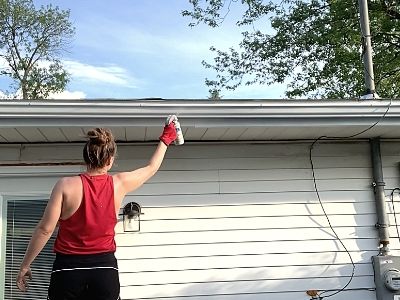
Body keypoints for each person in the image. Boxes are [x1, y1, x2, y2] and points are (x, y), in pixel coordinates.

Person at [15, 120, 178, 300]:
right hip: (104, 271)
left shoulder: (65, 186)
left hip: (68, 270)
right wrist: (166, 138)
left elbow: (45, 229)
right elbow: (151, 168)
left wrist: (25, 265)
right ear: (110, 160)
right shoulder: (119, 184)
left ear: (86, 157)